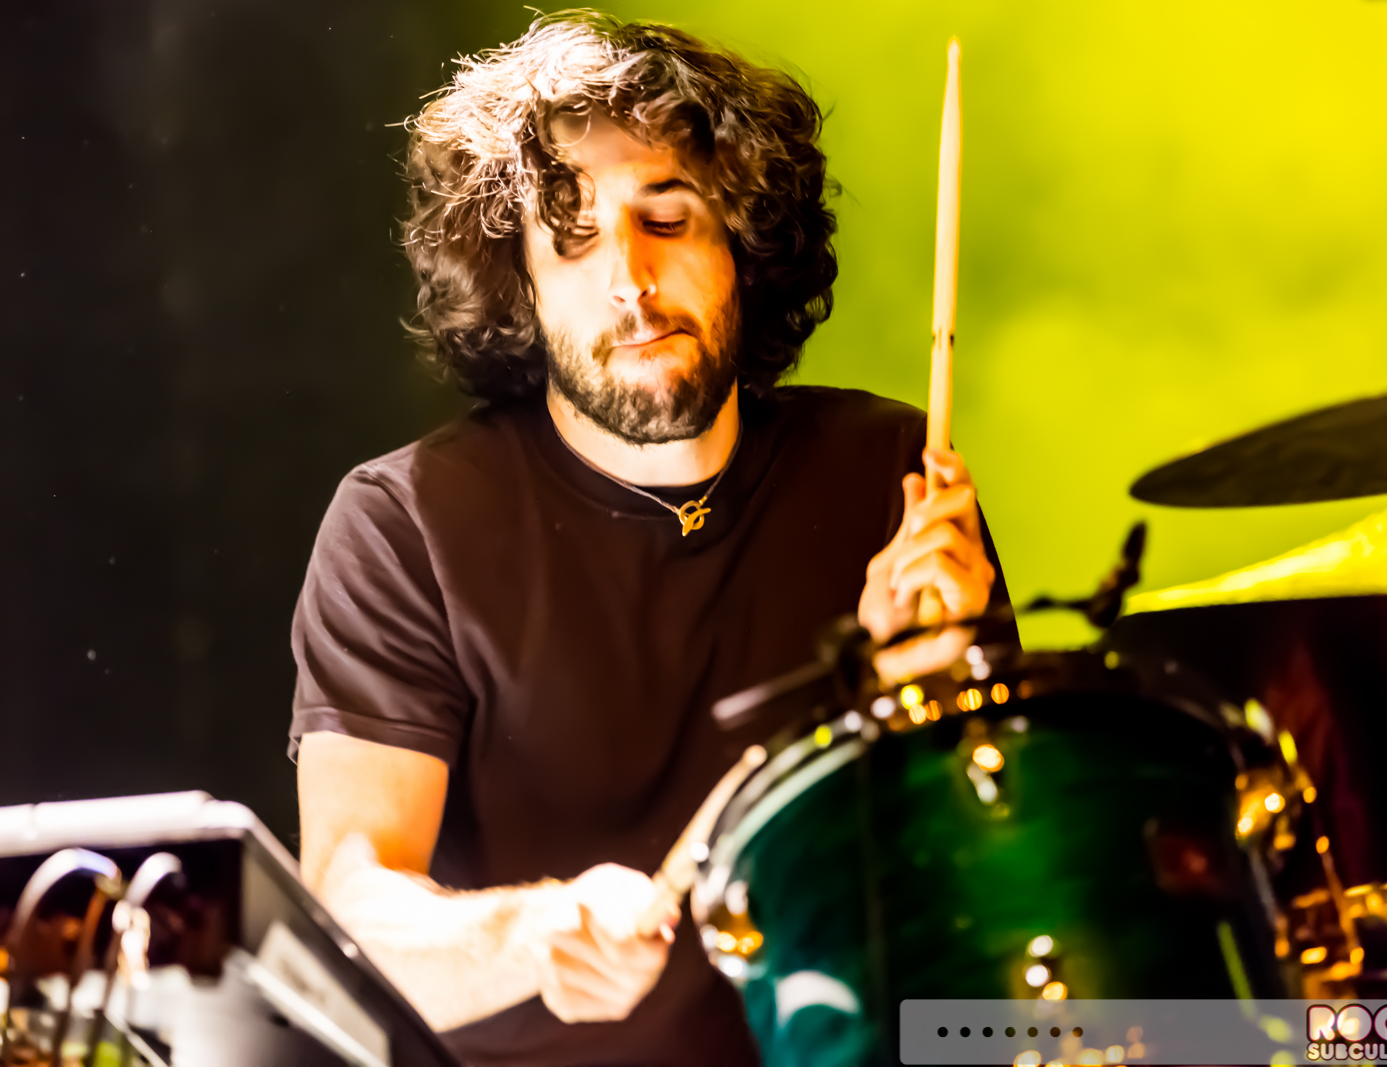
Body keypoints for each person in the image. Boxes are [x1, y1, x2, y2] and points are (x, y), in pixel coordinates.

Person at [289, 13, 1013, 1065]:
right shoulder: (406, 525)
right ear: (521, 285)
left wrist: (927, 698)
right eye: (573, 239)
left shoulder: (891, 471)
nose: (628, 279)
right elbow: (349, 915)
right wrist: (533, 932)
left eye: (666, 218)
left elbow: (985, 903)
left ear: (743, 247)